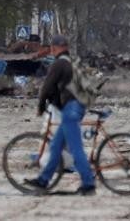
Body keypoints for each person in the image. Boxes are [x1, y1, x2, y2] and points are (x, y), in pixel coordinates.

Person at [23, 35, 96, 195]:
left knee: (76, 149)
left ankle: (89, 183)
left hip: (71, 109)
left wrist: (41, 106)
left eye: (52, 48)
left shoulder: (59, 64)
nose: (51, 50)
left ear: (55, 47)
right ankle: (43, 180)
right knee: (55, 146)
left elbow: (47, 87)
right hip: (77, 107)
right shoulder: (72, 61)